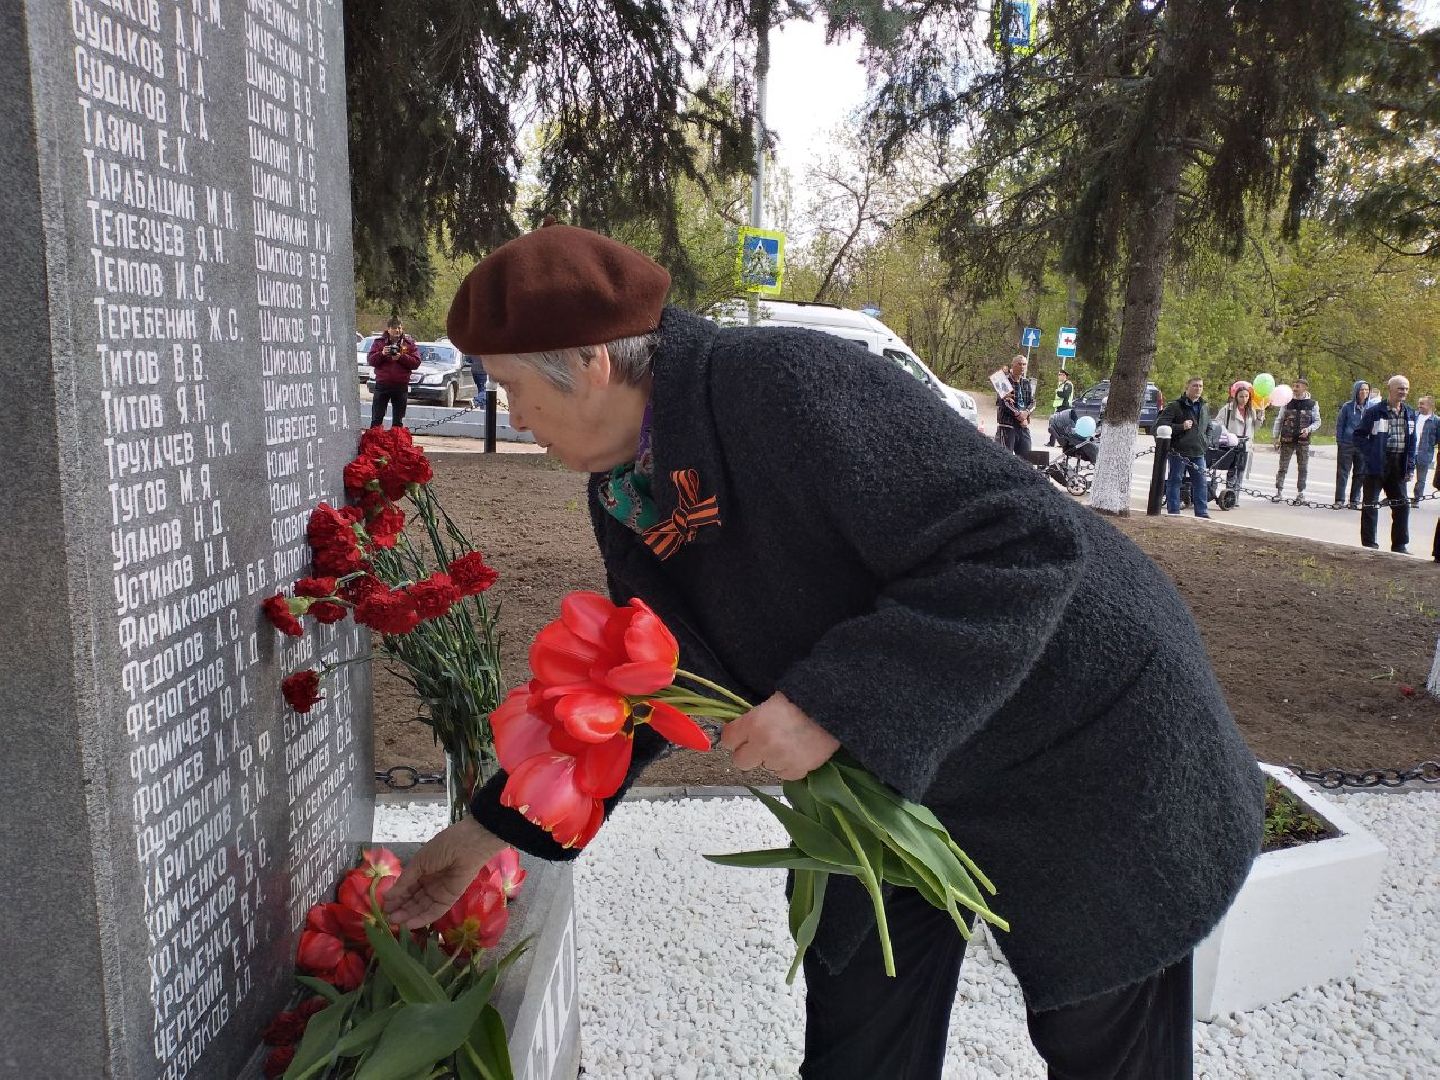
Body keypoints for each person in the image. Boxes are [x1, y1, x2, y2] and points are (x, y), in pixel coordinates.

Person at [384, 224, 1263, 1080]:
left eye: (510, 388)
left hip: (1086, 742)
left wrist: (830, 704)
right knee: (858, 1036)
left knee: (1099, 1039)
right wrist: (487, 832)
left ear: (590, 365)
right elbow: (659, 687)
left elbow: (1024, 541)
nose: (511, 414)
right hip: (895, 768)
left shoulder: (784, 384)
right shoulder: (627, 483)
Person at [1353, 375, 1417, 553]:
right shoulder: (1375, 411)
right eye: (1400, 388)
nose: (1403, 392)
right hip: (1377, 465)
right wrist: (1371, 453)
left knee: (1402, 505)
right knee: (1370, 505)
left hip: (1399, 465)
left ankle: (1400, 545)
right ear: (1390, 389)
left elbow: (1412, 442)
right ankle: (1369, 544)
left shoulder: (1409, 412)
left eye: (1406, 389)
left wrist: (1410, 466)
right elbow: (1358, 436)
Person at [1156, 377, 1212, 518]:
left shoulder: (1204, 406)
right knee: (1175, 481)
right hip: (1178, 452)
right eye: (1195, 386)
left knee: (1201, 483)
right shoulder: (1175, 406)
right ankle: (1174, 512)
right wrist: (1181, 427)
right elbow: (1159, 426)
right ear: (1187, 387)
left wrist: (1207, 441)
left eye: (1200, 386)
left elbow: (1209, 426)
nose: (1198, 388)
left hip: (1198, 451)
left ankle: (1202, 513)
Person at [1213, 382, 1263, 504]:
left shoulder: (1251, 410)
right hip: (1230, 443)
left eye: (1246, 396)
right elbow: (1218, 424)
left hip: (1244, 444)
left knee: (1240, 471)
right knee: (1229, 470)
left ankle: (1234, 498)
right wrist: (1226, 435)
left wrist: (1260, 418)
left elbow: (1254, 428)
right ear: (1236, 396)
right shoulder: (1227, 409)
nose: (1244, 399)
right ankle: (1224, 494)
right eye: (1241, 396)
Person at [1273, 378, 1322, 501]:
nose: (1294, 389)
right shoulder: (1287, 402)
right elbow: (1279, 420)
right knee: (1283, 467)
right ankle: (1279, 491)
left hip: (1303, 441)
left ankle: (1301, 492)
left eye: (1297, 386)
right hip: (1287, 439)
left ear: (1305, 388)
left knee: (1303, 467)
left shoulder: (1312, 404)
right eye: (1294, 386)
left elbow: (1317, 421)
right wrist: (1275, 437)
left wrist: (1309, 429)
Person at [368, 317, 421, 428]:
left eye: (399, 328)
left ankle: (397, 442)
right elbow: (371, 361)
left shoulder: (409, 344)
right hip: (382, 385)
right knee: (376, 419)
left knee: (398, 421)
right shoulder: (379, 343)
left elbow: (416, 363)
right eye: (394, 328)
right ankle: (374, 442)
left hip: (400, 387)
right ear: (388, 329)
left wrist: (401, 357)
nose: (397, 330)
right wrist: (382, 353)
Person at [1334, 381, 1371, 509]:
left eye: (1366, 390)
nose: (1364, 392)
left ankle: (1354, 500)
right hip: (1347, 443)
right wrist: (1340, 441)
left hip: (1363, 445)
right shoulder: (1347, 407)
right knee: (1343, 473)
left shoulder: (1371, 408)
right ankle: (1339, 500)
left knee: (1360, 473)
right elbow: (1340, 424)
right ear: (1356, 391)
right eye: (1361, 390)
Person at [993, 354, 1035, 457]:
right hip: (1007, 425)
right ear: (1013, 365)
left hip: (1023, 426)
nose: (1022, 367)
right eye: (1019, 364)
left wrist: (1026, 413)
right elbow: (1004, 402)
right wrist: (1018, 415)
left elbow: (1032, 402)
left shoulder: (1026, 382)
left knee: (1026, 458)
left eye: (1024, 364)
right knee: (1005, 458)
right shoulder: (1003, 381)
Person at [1413, 395, 1436, 506]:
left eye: (1422, 404)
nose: (1419, 406)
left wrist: (1429, 445)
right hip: (1410, 452)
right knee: (1401, 475)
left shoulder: (1436, 421)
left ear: (1430, 406)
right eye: (1419, 403)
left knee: (1421, 479)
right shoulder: (1414, 416)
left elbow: (1437, 438)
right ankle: (1397, 497)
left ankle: (1417, 499)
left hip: (1425, 453)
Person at [1046, 370, 1074, 446]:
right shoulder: (1061, 384)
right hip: (1059, 407)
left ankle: (1064, 443)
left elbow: (1065, 395)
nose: (1059, 376)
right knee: (1055, 424)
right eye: (1058, 374)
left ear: (1064, 376)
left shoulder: (1068, 384)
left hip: (1065, 407)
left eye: (1060, 374)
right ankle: (1053, 442)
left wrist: (1057, 392)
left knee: (1062, 426)